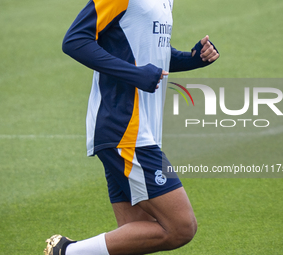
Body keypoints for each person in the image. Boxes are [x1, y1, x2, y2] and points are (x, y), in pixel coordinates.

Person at [44, 0, 219, 254]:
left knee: (135, 237)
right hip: (124, 127)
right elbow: (75, 40)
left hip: (139, 129)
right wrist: (135, 74)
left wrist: (193, 59)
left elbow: (147, 52)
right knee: (181, 227)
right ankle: (66, 252)